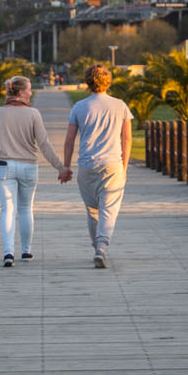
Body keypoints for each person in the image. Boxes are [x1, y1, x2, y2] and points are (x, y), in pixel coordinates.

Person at [58, 64, 134, 268]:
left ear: (87, 82)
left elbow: (69, 141)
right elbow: (127, 139)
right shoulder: (120, 106)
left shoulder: (79, 107)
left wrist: (66, 167)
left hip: (87, 165)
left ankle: (97, 247)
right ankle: (101, 247)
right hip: (113, 165)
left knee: (93, 210)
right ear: (108, 82)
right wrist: (124, 167)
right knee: (109, 208)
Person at [0, 75, 64, 267]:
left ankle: (8, 253)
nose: (31, 93)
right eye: (29, 90)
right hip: (29, 166)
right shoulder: (33, 114)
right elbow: (44, 144)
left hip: (4, 165)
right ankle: (26, 251)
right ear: (21, 92)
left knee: (8, 209)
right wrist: (60, 167)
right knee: (25, 209)